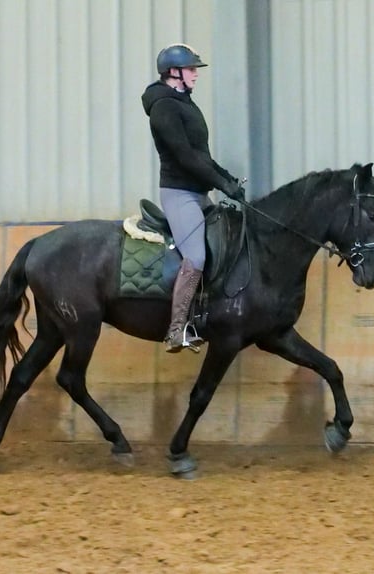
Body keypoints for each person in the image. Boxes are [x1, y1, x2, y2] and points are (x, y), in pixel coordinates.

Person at [141, 43, 245, 353]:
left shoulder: (185, 102)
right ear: (174, 73)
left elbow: (202, 156)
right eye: (191, 70)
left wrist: (225, 178)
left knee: (223, 246)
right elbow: (185, 157)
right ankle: (175, 330)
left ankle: (207, 315)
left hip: (200, 192)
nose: (195, 76)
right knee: (197, 256)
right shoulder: (164, 107)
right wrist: (220, 184)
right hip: (179, 194)